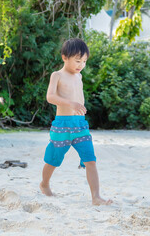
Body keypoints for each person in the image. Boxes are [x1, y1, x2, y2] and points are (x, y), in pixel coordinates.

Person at [39, 38, 112, 206]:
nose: (81, 65)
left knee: (90, 159)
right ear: (65, 57)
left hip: (80, 125)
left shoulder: (78, 76)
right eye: (78, 61)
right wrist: (70, 103)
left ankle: (96, 196)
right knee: (53, 159)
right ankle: (44, 184)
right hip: (62, 125)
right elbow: (50, 97)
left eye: (84, 61)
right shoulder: (57, 75)